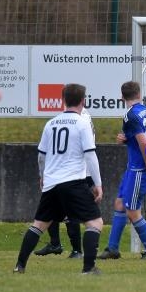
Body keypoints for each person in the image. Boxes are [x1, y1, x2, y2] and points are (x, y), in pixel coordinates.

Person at [13, 83, 103, 274]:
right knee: (95, 223)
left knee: (39, 225)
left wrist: (42, 176)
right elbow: (90, 155)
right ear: (83, 100)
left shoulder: (51, 123)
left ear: (63, 100)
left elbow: (41, 156)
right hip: (73, 181)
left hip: (52, 182)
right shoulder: (82, 123)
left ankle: (19, 266)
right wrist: (98, 183)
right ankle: (88, 268)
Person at [98, 81, 146, 260]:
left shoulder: (130, 115)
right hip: (133, 167)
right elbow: (137, 137)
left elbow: (143, 142)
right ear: (139, 94)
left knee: (132, 211)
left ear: (121, 97)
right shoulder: (144, 110)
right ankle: (112, 248)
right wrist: (126, 139)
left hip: (140, 168)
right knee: (119, 204)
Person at [33, 108, 95, 259]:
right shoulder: (75, 117)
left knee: (70, 212)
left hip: (77, 172)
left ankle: (77, 250)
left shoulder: (80, 118)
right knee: (52, 208)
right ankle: (55, 244)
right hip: (66, 171)